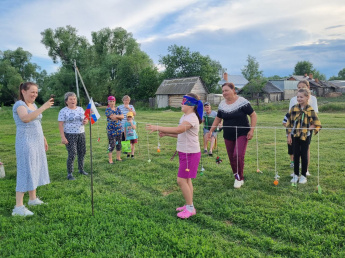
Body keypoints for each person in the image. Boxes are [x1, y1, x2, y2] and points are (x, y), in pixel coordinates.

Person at [146, 93, 203, 219]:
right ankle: (189, 204)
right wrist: (166, 134)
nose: (181, 104)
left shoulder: (192, 118)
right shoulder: (185, 116)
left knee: (181, 180)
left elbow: (179, 130)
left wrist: (157, 127)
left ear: (190, 105)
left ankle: (190, 208)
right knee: (187, 179)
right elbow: (181, 134)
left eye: (183, 102)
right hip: (185, 152)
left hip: (191, 153)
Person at [12, 82, 54, 216]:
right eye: (32, 92)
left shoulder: (33, 105)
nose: (35, 95)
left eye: (36, 92)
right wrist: (44, 107)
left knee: (35, 167)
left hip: (37, 141)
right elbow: (25, 118)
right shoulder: (20, 105)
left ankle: (32, 199)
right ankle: (18, 207)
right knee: (26, 169)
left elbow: (37, 122)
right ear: (23, 91)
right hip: (26, 142)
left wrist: (43, 138)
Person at [208, 83, 257, 189]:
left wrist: (251, 130)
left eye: (226, 90)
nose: (224, 93)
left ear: (233, 90)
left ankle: (240, 178)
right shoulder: (222, 104)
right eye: (223, 91)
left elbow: (253, 115)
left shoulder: (242, 102)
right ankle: (236, 176)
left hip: (242, 133)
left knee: (238, 155)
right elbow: (218, 118)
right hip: (228, 134)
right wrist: (211, 130)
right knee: (231, 157)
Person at [286, 88, 321, 184]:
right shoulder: (293, 108)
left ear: (307, 97)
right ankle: (296, 174)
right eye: (298, 97)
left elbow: (317, 123)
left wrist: (309, 128)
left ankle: (303, 175)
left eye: (301, 97)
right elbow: (289, 124)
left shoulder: (310, 109)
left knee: (304, 155)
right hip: (295, 135)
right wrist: (289, 136)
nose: (299, 99)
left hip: (306, 136)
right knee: (296, 154)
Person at [58, 92, 89, 180]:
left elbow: (85, 119)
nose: (73, 100)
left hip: (81, 133)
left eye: (74, 99)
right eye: (71, 99)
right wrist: (63, 137)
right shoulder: (63, 111)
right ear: (66, 101)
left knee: (82, 152)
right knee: (72, 153)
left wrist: (85, 122)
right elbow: (60, 125)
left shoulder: (80, 109)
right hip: (69, 135)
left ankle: (81, 169)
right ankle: (70, 173)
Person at [105, 96, 124, 163]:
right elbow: (112, 118)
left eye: (113, 101)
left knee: (119, 144)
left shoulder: (118, 108)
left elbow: (123, 116)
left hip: (119, 129)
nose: (112, 103)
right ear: (108, 102)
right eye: (110, 101)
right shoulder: (107, 110)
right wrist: (119, 117)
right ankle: (110, 159)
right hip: (111, 130)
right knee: (111, 144)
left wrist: (116, 116)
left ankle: (118, 157)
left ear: (115, 101)